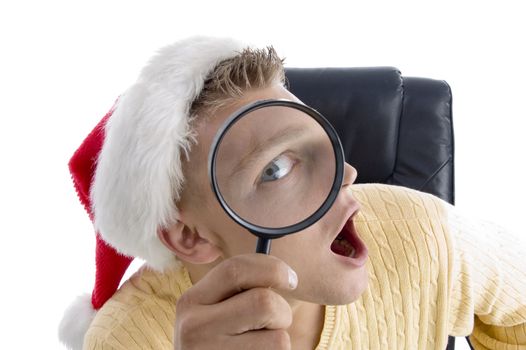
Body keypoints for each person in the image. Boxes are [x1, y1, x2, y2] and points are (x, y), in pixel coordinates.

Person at [58, 35, 526, 350]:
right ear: (190, 238)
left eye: (319, 140)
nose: (347, 174)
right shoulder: (128, 337)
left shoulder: (423, 235)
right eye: (275, 168)